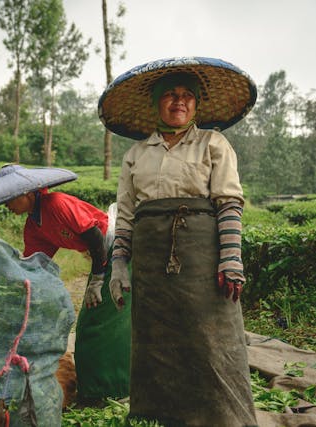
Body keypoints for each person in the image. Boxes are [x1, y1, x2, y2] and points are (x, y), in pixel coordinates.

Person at [98, 57, 259, 426]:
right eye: (170, 95)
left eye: (187, 96)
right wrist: (119, 266)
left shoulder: (212, 143)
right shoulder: (136, 155)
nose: (179, 102)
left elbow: (229, 202)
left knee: (211, 341)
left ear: (197, 105)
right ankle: (159, 415)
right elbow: (125, 216)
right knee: (155, 343)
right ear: (156, 103)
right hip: (152, 261)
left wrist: (230, 257)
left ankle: (223, 417)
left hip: (202, 256)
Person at [0, 164, 131, 402]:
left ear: (26, 193)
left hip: (115, 251)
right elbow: (33, 265)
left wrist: (98, 278)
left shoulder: (57, 204)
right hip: (101, 257)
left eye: (9, 199)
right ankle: (98, 390)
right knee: (94, 323)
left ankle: (113, 392)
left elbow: (94, 235)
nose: (7, 206)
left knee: (102, 324)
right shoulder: (34, 225)